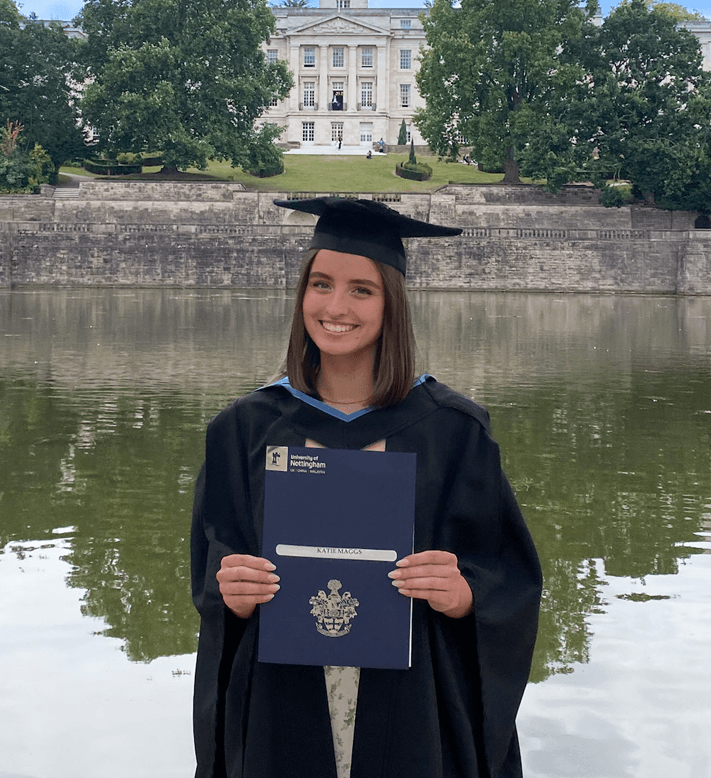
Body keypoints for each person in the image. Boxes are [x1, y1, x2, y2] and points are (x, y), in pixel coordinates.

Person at [190, 197, 542, 778]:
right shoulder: (243, 430)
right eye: (321, 284)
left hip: (414, 708)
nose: (335, 306)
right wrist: (230, 591)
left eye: (362, 289)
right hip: (282, 703)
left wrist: (462, 594)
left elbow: (507, 576)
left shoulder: (452, 431)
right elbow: (213, 568)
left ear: (392, 303)